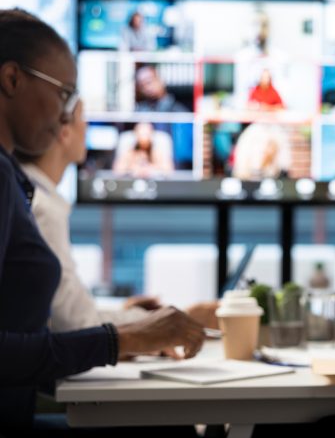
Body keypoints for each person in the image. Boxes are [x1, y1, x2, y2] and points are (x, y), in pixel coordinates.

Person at [0, 8, 205, 430]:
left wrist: (127, 325)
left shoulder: (12, 177)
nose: (65, 116)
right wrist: (124, 338)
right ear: (12, 79)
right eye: (64, 93)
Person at [16, 101, 219, 333]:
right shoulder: (43, 208)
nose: (88, 126)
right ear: (64, 132)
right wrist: (177, 322)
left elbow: (73, 315)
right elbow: (78, 326)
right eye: (83, 119)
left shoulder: (32, 193)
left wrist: (137, 316)